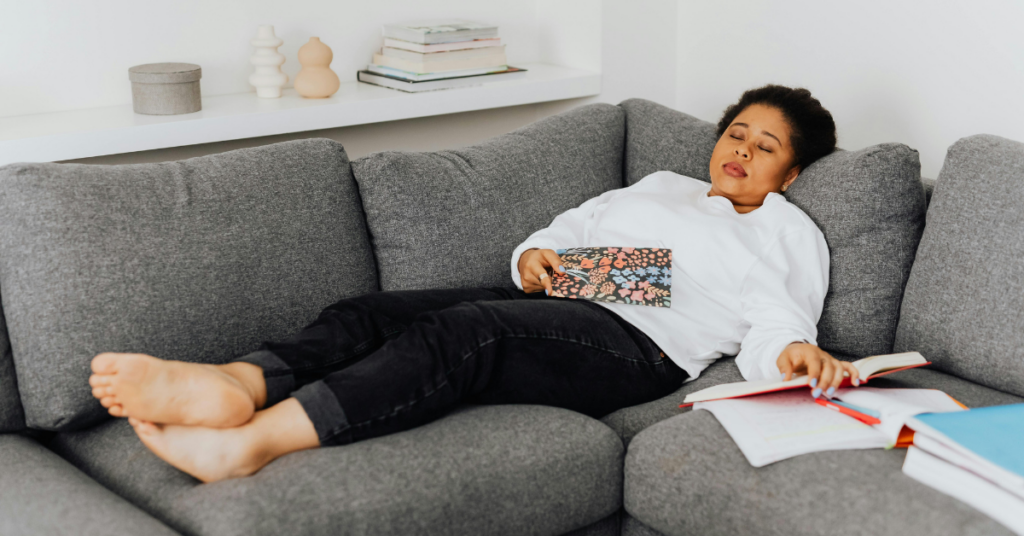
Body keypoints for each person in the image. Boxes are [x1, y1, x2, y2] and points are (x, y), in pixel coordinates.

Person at [88, 84, 861, 483]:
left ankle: (253, 444)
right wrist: (535, 255)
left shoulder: (781, 230)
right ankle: (236, 382)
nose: (739, 152)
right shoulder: (661, 183)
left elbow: (776, 320)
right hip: (574, 292)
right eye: (735, 133)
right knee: (372, 310)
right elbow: (571, 229)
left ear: (788, 173)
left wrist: (793, 354)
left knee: (466, 336)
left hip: (643, 340)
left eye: (763, 148)